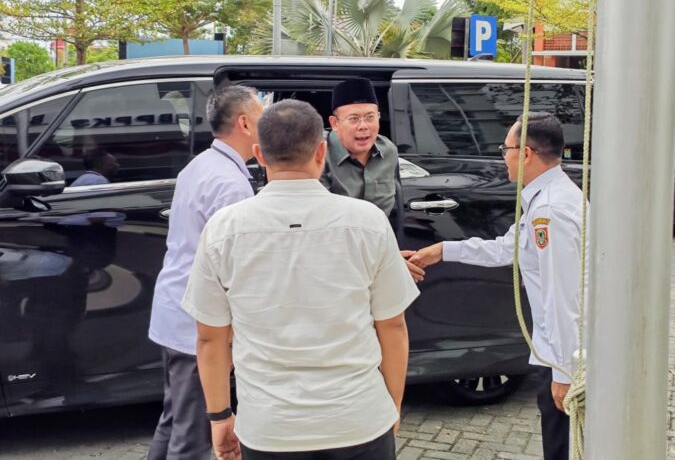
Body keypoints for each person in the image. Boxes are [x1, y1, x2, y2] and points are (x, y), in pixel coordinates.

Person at [181, 99, 420, 460]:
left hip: (269, 428)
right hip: (359, 418)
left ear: (259, 155)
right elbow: (393, 325)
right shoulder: (368, 221)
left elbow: (210, 338)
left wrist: (220, 416)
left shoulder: (224, 228)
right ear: (322, 152)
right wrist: (393, 405)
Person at [409, 112, 585, 460]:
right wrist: (442, 251)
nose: (503, 157)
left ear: (526, 153)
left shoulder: (552, 210)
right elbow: (507, 248)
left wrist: (564, 372)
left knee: (562, 444)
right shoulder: (546, 197)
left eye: (506, 149)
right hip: (556, 352)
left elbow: (563, 297)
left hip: (564, 356)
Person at [147, 85, 263, 460]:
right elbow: (234, 270)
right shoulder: (231, 186)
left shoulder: (200, 165)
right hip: (196, 325)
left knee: (173, 420)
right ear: (244, 123)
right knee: (193, 438)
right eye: (262, 115)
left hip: (174, 311)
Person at [322, 77, 424, 282]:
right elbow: (321, 225)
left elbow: (391, 215)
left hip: (377, 256)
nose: (363, 126)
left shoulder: (389, 151)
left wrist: (390, 258)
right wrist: (382, 263)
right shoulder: (318, 153)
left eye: (370, 117)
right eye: (353, 119)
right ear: (335, 123)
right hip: (333, 262)